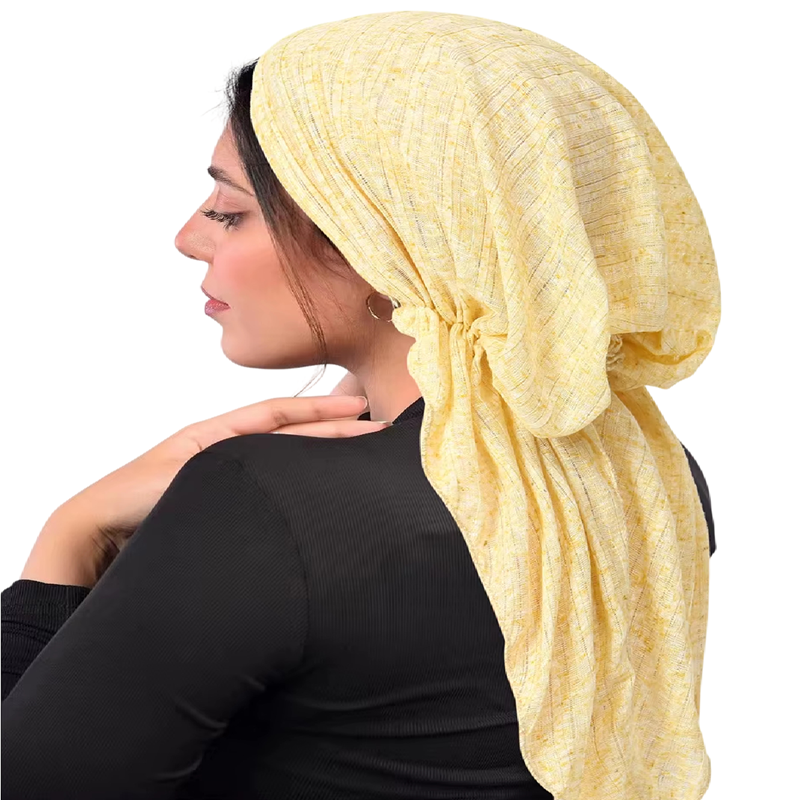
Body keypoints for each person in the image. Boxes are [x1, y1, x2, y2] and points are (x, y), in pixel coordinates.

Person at [2, 11, 719, 799]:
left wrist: (73, 532)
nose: (189, 238)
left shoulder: (267, 501)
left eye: (229, 211)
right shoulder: (649, 474)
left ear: (379, 241)